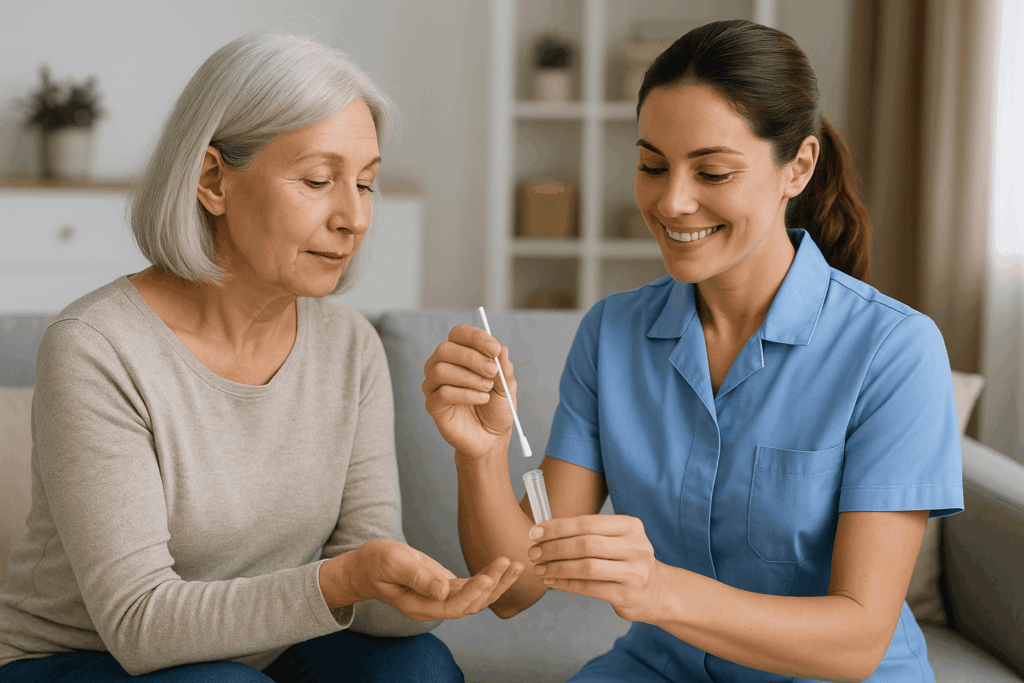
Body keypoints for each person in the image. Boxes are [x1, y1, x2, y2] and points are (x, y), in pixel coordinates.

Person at [423, 19, 962, 683]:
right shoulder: (612, 333)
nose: (673, 202)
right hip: (661, 670)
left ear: (798, 166)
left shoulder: (894, 350)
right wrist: (478, 453)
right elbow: (517, 588)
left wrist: (659, 589)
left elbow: (856, 641)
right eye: (652, 166)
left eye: (712, 170)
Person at [0, 32, 522, 683]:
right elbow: (139, 623)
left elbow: (361, 564)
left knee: (417, 667)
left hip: (269, 649)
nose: (354, 218)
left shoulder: (349, 344)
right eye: (318, 180)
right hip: (82, 656)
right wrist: (347, 579)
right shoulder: (97, 345)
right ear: (213, 180)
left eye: (365, 184)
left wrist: (422, 593)